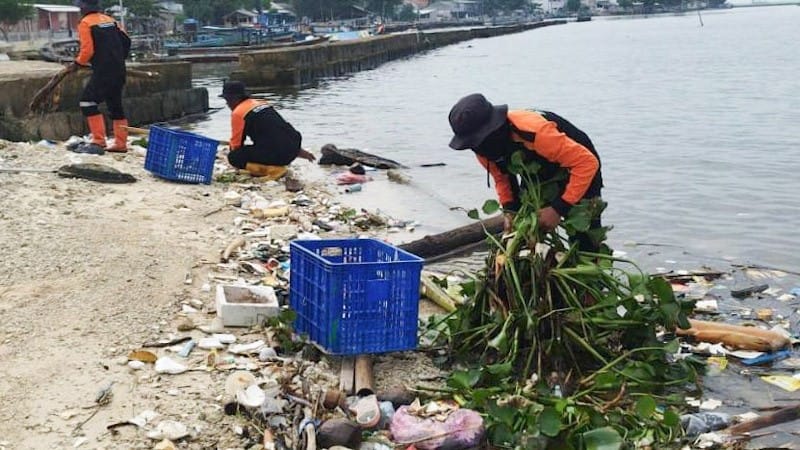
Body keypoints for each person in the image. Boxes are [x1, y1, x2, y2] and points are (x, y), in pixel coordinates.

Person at [448, 93, 604, 252]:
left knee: (584, 239)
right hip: (536, 174)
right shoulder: (482, 147)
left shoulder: (534, 132)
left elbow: (587, 163)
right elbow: (502, 178)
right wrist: (510, 211)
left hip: (579, 167)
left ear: (494, 128)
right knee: (526, 228)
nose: (477, 147)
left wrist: (559, 208)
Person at [68, 0, 131, 155]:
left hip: (103, 72)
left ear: (83, 8)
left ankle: (98, 141)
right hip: (119, 70)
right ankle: (120, 144)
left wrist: (78, 63)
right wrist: (118, 58)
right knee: (115, 106)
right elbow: (127, 41)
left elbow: (87, 50)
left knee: (87, 102)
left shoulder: (85, 23)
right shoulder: (110, 21)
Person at [220, 80, 316, 175]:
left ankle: (272, 170)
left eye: (227, 100)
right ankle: (277, 163)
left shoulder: (238, 113)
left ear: (234, 99)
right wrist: (298, 151)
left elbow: (236, 145)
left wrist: (237, 161)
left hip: (279, 155)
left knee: (234, 157)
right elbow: (279, 130)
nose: (227, 104)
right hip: (293, 145)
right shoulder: (262, 103)